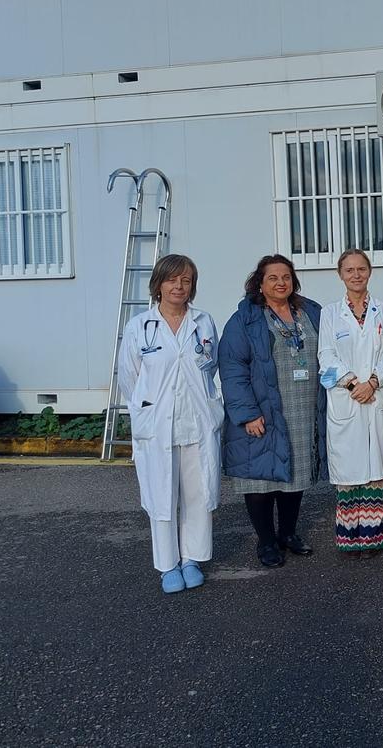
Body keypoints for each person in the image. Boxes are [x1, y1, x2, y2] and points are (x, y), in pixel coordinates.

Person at [118, 254, 223, 594]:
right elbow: (129, 379)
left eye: (186, 280)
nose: (179, 286)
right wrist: (148, 409)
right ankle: (167, 565)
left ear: (192, 286)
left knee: (197, 494)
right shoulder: (139, 327)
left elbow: (211, 366)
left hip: (196, 422)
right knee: (162, 495)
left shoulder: (203, 322)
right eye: (172, 279)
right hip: (157, 425)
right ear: (159, 284)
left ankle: (191, 558)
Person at [220, 255, 325, 568]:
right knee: (260, 479)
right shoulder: (245, 319)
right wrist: (247, 413)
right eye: (273, 278)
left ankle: (288, 534)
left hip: (304, 408)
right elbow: (232, 366)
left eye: (286, 277)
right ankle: (266, 542)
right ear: (260, 284)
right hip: (263, 410)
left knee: (296, 475)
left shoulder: (311, 311)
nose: (281, 283)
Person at [317, 249, 383, 554]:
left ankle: (372, 537)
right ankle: (349, 537)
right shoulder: (329, 313)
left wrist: (374, 381)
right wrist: (354, 382)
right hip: (347, 397)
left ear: (369, 272)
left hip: (376, 393)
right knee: (349, 469)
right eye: (349, 270)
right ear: (340, 274)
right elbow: (325, 355)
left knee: (375, 469)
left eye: (361, 269)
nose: (356, 275)